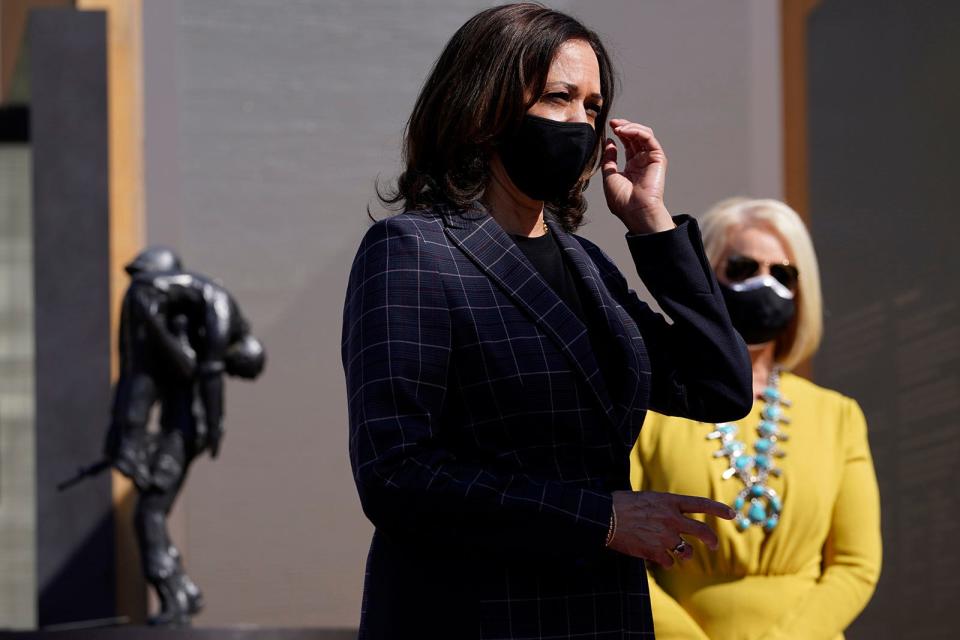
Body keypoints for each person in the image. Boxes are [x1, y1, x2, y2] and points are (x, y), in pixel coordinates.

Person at [341, 4, 754, 638]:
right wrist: (602, 520)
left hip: (602, 616)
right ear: (486, 108)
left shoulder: (585, 263)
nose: (582, 124)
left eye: (593, 106)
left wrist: (653, 226)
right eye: (560, 98)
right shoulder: (413, 251)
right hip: (474, 618)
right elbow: (396, 475)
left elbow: (719, 388)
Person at [631, 197, 882, 640]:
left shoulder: (837, 416)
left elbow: (855, 565)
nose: (765, 285)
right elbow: (625, 553)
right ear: (704, 277)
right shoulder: (650, 409)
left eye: (782, 274)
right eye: (744, 268)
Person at [105, 247, 266, 625]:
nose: (232, 370)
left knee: (149, 513)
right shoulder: (220, 315)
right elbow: (206, 372)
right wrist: (216, 425)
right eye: (239, 369)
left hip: (183, 430)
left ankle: (176, 594)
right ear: (246, 351)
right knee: (150, 511)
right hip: (185, 426)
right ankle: (182, 594)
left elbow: (196, 369)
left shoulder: (199, 318)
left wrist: (212, 426)